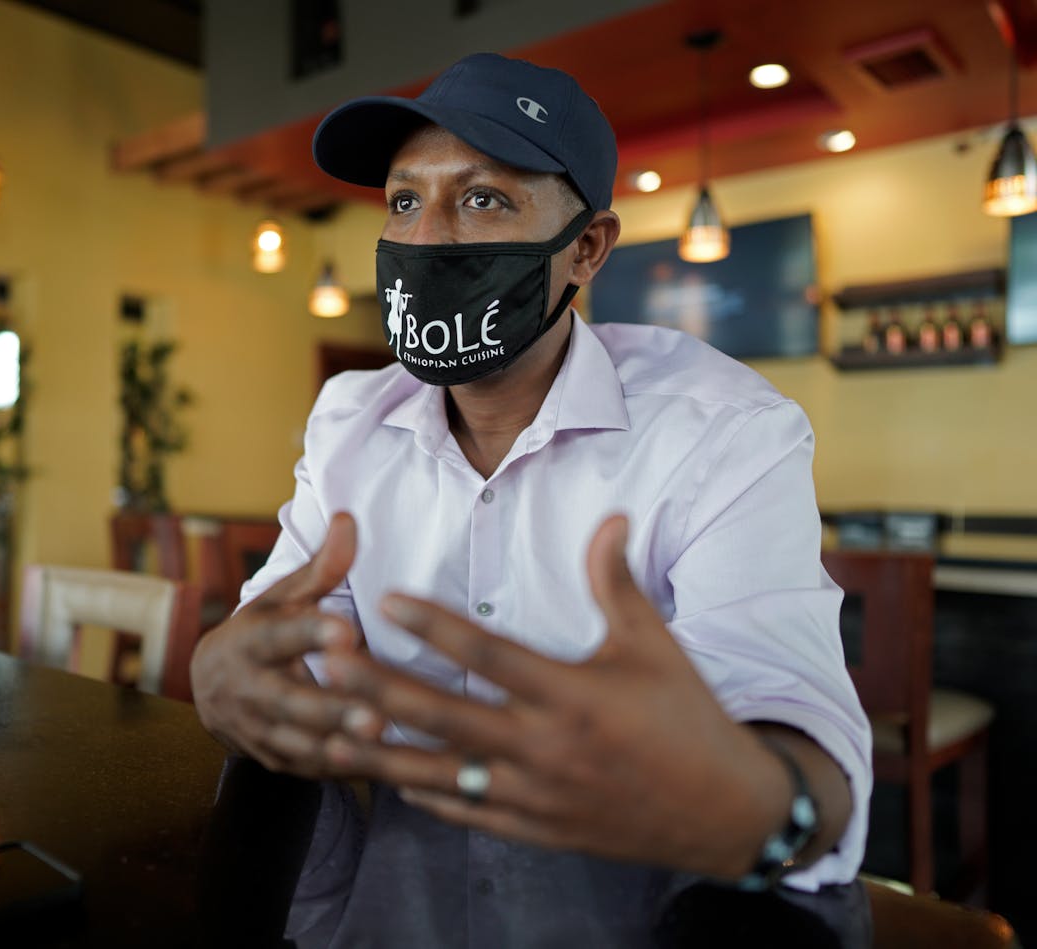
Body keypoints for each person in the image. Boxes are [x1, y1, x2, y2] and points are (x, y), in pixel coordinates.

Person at [190, 52, 871, 904]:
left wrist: (764, 801)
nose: (428, 237)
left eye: (483, 199)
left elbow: (787, 704)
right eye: (406, 200)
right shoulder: (347, 424)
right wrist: (224, 672)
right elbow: (282, 645)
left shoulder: (724, 431)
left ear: (586, 249)